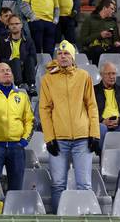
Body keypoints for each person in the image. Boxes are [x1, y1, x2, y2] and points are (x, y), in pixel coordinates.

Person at [39, 40, 100, 211]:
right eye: (60, 54)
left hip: (82, 138)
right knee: (58, 185)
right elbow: (44, 109)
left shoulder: (83, 76)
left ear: (73, 57)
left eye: (66, 53)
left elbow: (92, 106)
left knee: (84, 185)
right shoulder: (47, 79)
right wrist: (49, 138)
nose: (63, 56)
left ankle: (84, 217)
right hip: (58, 139)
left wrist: (94, 134)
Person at [0, 63, 34, 210]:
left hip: (17, 148)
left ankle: (13, 215)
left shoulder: (22, 95)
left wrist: (23, 141)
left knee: (15, 190)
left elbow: (29, 120)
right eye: (2, 71)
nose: (7, 73)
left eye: (9, 70)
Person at [94, 62, 120, 147]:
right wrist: (102, 120)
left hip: (119, 124)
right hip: (102, 123)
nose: (112, 77)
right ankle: (101, 155)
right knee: (101, 128)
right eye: (108, 74)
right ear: (101, 75)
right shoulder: (93, 90)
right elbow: (90, 110)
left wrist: (119, 120)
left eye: (113, 73)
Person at [79, 0, 120, 65]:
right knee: (98, 50)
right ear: (104, 8)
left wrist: (117, 42)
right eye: (112, 9)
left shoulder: (112, 22)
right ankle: (97, 72)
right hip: (92, 47)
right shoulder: (89, 20)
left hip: (108, 48)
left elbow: (116, 38)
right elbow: (83, 40)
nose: (113, 11)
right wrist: (100, 35)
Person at [0, 15, 37, 92]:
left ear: (21, 25)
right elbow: (1, 59)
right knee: (16, 60)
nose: (14, 26)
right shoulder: (3, 41)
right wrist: (15, 62)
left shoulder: (28, 40)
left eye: (16, 24)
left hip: (25, 69)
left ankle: (32, 85)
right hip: (9, 69)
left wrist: (21, 63)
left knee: (30, 59)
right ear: (8, 26)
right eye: (11, 24)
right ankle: (19, 85)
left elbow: (34, 60)